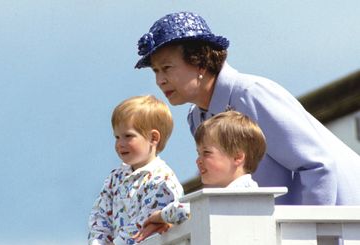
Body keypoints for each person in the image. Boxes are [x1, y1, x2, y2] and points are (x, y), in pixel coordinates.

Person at [134, 11, 360, 205]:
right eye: (155, 71)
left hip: (343, 231)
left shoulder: (251, 93)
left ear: (200, 62)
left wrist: (310, 238)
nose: (160, 80)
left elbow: (317, 164)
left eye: (166, 68)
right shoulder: (197, 118)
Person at [83, 95, 184, 245]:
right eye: (117, 137)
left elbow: (144, 222)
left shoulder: (162, 179)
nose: (120, 144)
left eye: (128, 136)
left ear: (153, 138)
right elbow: (100, 212)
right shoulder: (116, 177)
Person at [134, 110, 266, 242]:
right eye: (199, 153)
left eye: (207, 153)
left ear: (237, 157)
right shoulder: (232, 193)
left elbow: (188, 210)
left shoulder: (243, 192)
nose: (198, 160)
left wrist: (160, 216)